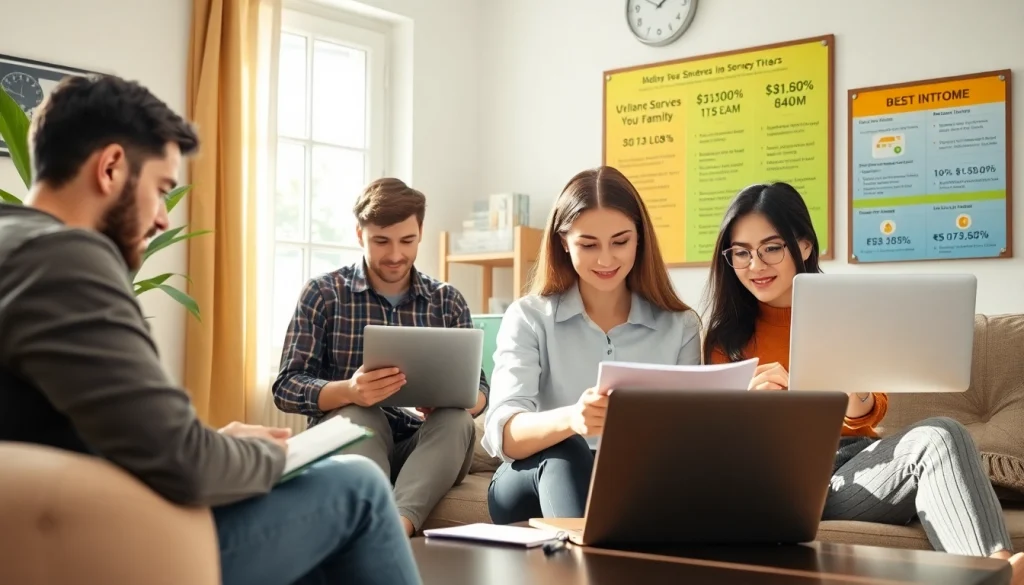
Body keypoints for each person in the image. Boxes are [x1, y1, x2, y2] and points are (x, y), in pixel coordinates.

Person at [0, 74, 421, 585]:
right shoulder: (65, 257)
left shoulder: (14, 243)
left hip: (47, 527)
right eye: (159, 190)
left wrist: (213, 441)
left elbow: (94, 435)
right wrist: (270, 452)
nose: (160, 219)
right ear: (110, 167)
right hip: (104, 547)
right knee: (356, 486)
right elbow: (185, 463)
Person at [703, 181, 1022, 581]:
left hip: (858, 463)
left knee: (943, 434)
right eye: (742, 253)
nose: (756, 264)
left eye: (771, 248)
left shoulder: (846, 306)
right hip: (785, 481)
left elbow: (868, 415)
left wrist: (853, 392)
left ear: (802, 245)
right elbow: (721, 456)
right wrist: (754, 414)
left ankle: (997, 569)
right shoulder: (724, 340)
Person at [482, 166, 701, 524]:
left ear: (639, 239)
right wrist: (572, 419)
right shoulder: (529, 317)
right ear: (563, 242)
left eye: (620, 241)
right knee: (567, 451)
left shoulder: (680, 326)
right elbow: (504, 434)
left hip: (633, 478)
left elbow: (688, 436)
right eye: (588, 244)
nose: (606, 259)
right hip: (530, 477)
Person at [272, 177, 485, 537]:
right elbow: (286, 386)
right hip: (354, 440)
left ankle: (394, 527)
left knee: (457, 421)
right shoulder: (324, 294)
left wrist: (460, 400)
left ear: (420, 233)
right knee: (360, 413)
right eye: (381, 241)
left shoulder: (447, 301)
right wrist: (349, 391)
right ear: (359, 234)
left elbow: (479, 390)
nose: (396, 255)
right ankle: (386, 527)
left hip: (423, 449)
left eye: (407, 241)